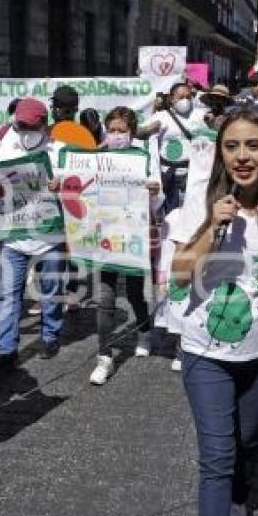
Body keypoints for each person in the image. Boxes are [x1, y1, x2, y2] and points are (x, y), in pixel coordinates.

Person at [170, 107, 258, 516]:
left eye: (253, 145)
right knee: (217, 460)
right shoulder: (200, 197)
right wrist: (213, 228)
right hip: (204, 350)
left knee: (246, 444)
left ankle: (238, 507)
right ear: (220, 153)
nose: (242, 156)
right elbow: (178, 271)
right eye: (231, 146)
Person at [0, 98, 65, 371]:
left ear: (45, 125)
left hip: (49, 234)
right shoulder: (7, 144)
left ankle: (50, 335)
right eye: (20, 125)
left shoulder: (59, 151)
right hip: (15, 235)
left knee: (51, 289)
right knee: (9, 294)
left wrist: (61, 183)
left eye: (31, 126)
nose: (25, 130)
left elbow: (77, 186)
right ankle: (6, 350)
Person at [85, 106, 162, 384]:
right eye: (112, 130)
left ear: (132, 133)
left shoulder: (142, 159)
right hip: (104, 238)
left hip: (133, 238)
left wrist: (154, 192)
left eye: (122, 131)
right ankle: (104, 358)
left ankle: (144, 331)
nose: (116, 135)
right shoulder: (94, 157)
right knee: (104, 299)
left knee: (133, 294)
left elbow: (157, 200)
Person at [146, 82, 209, 215]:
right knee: (171, 214)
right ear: (171, 99)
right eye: (180, 97)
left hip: (193, 173)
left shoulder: (201, 116)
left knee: (193, 212)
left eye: (188, 97)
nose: (185, 100)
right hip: (169, 174)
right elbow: (143, 135)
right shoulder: (161, 117)